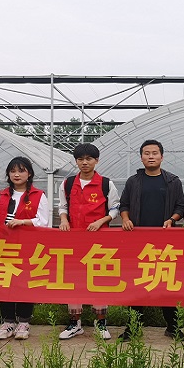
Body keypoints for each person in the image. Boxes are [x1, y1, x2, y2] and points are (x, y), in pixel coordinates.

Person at [119, 139, 184, 341]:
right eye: (146, 153)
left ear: (162, 157)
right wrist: (126, 219)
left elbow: (180, 207)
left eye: (154, 153)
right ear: (141, 157)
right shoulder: (133, 182)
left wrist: (172, 219)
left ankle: (172, 326)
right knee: (136, 284)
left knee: (166, 282)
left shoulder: (173, 181)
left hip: (165, 242)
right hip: (138, 242)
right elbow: (124, 205)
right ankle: (133, 327)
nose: (151, 156)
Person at [58, 143, 120, 341]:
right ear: (76, 161)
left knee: (98, 279)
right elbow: (63, 206)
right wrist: (64, 220)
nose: (84, 163)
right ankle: (74, 323)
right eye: (80, 159)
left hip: (99, 241)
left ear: (96, 161)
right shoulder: (68, 184)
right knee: (74, 280)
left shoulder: (106, 184)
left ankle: (100, 323)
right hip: (74, 241)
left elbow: (115, 209)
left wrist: (101, 221)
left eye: (89, 159)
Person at [0, 156, 49, 340]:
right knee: (4, 282)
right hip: (3, 247)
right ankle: (7, 322)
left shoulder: (39, 195)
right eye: (12, 171)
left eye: (21, 171)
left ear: (29, 174)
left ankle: (24, 322)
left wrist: (22, 222)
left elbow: (43, 221)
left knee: (24, 282)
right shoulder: (1, 194)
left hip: (27, 247)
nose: (16, 174)